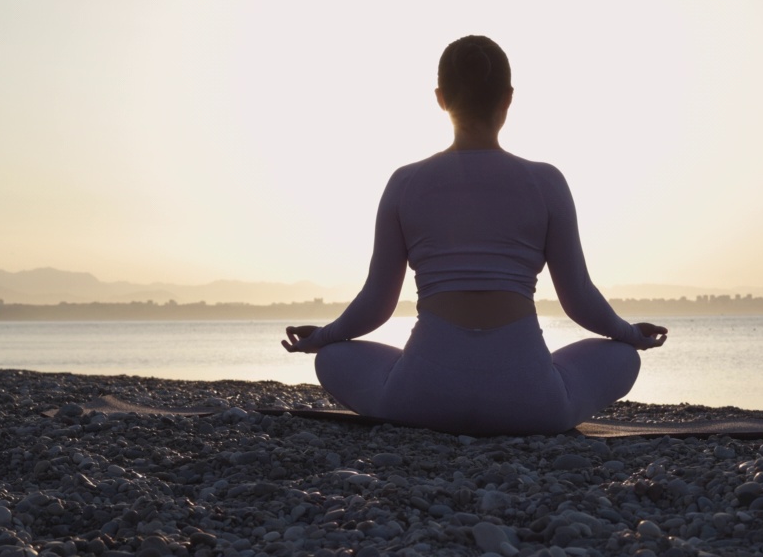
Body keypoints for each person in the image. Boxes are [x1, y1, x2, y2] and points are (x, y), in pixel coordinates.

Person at [281, 35, 667, 435]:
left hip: (420, 401)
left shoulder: (405, 182)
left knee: (331, 358)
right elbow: (579, 299)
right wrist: (630, 335)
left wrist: (321, 338)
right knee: (623, 357)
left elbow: (377, 303)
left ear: (440, 98)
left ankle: (417, 380)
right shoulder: (546, 181)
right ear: (508, 98)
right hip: (532, 404)